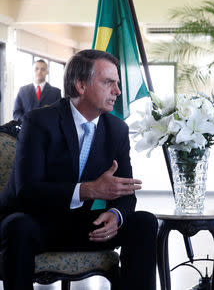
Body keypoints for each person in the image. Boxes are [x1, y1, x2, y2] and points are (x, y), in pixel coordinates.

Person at [0, 49, 158, 290]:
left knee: (145, 222)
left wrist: (115, 216)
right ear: (81, 85)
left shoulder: (116, 129)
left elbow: (127, 195)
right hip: (38, 223)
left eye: (117, 83)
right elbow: (26, 192)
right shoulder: (38, 122)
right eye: (108, 83)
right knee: (17, 226)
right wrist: (88, 190)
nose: (117, 91)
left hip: (87, 227)